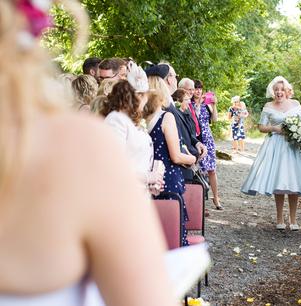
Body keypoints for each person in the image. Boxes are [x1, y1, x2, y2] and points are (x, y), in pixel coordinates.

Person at [0, 0, 177, 305]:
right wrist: (145, 177)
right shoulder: (84, 141)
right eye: (140, 95)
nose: (144, 100)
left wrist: (151, 175)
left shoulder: (122, 127)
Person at [241, 76, 301, 230]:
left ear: (286, 91)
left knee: (294, 181)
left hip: (293, 145)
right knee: (279, 181)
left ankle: (293, 219)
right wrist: (274, 128)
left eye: (281, 89)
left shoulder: (295, 104)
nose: (279, 92)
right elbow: (261, 127)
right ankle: (279, 218)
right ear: (273, 91)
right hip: (275, 145)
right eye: (276, 90)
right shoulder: (268, 106)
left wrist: (298, 131)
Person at [101, 62, 163, 194]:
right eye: (146, 96)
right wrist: (147, 177)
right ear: (139, 96)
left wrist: (151, 182)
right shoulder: (115, 120)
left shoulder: (132, 122)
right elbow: (113, 166)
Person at [148, 88, 197, 246]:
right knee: (173, 238)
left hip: (147, 181)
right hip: (167, 181)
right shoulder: (166, 117)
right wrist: (192, 158)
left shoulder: (139, 119)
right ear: (162, 100)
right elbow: (176, 156)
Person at [145, 64, 207, 183]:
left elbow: (184, 130)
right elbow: (175, 151)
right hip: (173, 170)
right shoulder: (164, 107)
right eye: (175, 76)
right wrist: (193, 158)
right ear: (169, 79)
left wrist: (196, 142)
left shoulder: (170, 104)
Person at [192, 80, 222, 210]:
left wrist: (214, 105)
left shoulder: (207, 105)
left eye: (200, 89)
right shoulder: (190, 104)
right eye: (196, 88)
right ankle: (200, 203)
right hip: (196, 138)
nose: (198, 91)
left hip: (208, 139)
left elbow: (214, 120)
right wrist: (199, 103)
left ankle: (216, 198)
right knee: (198, 170)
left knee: (212, 170)